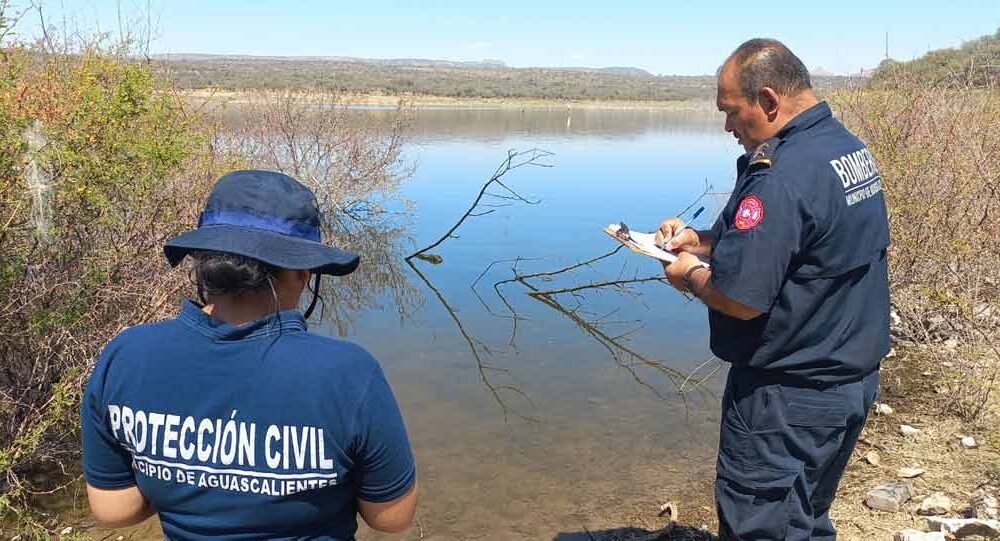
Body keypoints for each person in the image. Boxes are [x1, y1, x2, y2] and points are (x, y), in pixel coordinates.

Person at [80, 170, 418, 539]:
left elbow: (115, 509)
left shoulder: (126, 356)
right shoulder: (349, 373)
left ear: (202, 263)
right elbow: (392, 517)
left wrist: (176, 479)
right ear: (303, 273)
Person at [658, 39, 889, 540]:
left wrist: (688, 274)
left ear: (767, 100)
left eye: (730, 111)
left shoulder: (780, 175)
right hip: (847, 381)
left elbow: (740, 299)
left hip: (788, 397)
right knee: (805, 517)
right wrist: (701, 240)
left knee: (761, 526)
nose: (727, 126)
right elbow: (798, 241)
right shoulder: (844, 149)